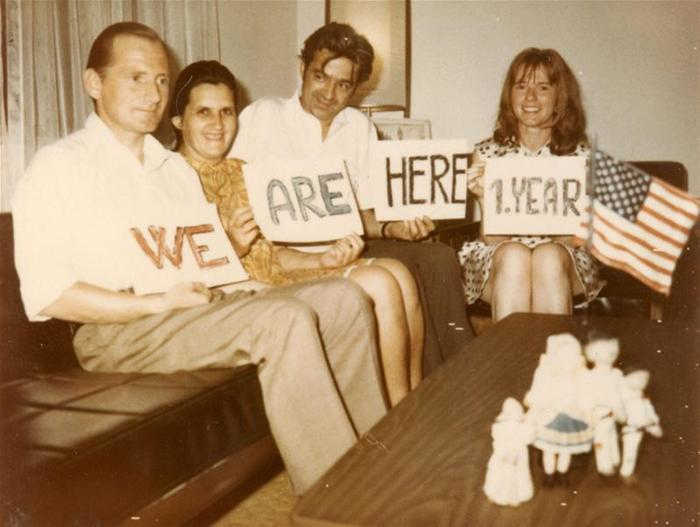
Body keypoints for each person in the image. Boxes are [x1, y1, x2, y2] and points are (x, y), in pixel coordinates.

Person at [11, 21, 389, 495]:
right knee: (283, 318)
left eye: (162, 80)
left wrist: (241, 280)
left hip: (185, 312)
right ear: (93, 83)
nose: (153, 93)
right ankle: (336, 501)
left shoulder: (174, 171)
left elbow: (205, 265)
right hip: (115, 331)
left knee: (342, 298)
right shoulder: (59, 167)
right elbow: (51, 296)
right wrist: (154, 304)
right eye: (136, 77)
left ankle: (378, 476)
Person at [169, 60, 422, 406]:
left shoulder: (243, 171)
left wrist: (324, 257)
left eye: (227, 112)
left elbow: (272, 254)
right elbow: (177, 271)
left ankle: (408, 404)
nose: (218, 124)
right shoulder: (169, 179)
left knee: (396, 273)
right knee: (379, 281)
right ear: (179, 121)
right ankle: (398, 411)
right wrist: (233, 249)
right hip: (234, 299)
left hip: (274, 279)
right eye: (204, 113)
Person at [230, 22, 473, 374]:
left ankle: (444, 382)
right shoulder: (263, 116)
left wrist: (394, 229)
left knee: (437, 256)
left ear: (356, 88)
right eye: (320, 77)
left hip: (347, 247)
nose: (329, 93)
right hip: (283, 253)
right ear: (302, 68)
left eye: (343, 84)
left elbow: (365, 214)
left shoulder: (359, 128)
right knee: (401, 276)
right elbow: (227, 186)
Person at [458, 48, 603, 321]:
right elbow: (492, 240)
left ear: (560, 97)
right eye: (521, 86)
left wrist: (544, 251)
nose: (530, 97)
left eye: (543, 87)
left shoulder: (581, 157)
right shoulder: (488, 154)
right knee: (515, 256)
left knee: (547, 257)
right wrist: (484, 198)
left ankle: (556, 361)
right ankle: (512, 361)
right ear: (509, 95)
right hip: (501, 256)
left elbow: (574, 238)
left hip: (563, 256)